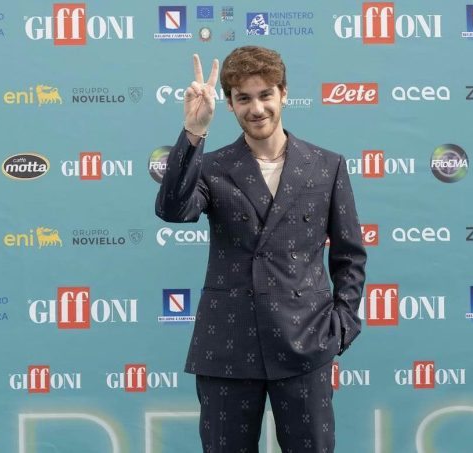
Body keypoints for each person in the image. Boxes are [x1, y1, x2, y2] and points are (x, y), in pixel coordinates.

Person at [156, 46, 367, 453]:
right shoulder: (213, 167)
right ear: (230, 104)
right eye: (244, 98)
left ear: (284, 93)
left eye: (265, 94)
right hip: (227, 345)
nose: (257, 109)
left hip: (305, 342)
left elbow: (350, 256)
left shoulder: (326, 166)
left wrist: (342, 325)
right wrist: (193, 132)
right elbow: (172, 210)